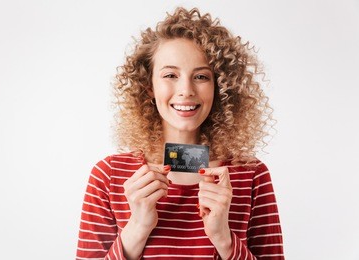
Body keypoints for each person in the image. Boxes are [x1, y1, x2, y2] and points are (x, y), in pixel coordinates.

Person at [76, 6, 284, 260]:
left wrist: (224, 238)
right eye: (170, 75)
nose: (186, 90)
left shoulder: (251, 175)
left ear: (220, 87)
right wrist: (138, 226)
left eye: (200, 76)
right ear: (148, 86)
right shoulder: (108, 176)